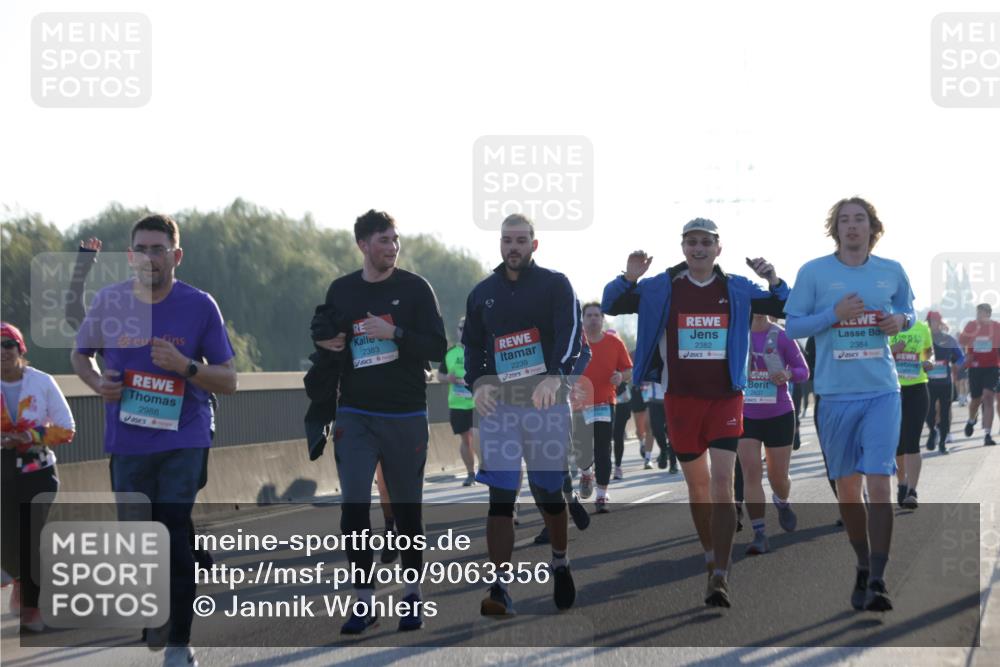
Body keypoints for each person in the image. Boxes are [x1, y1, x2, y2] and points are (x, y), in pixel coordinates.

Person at [72, 214, 237, 667]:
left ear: (175, 255)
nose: (149, 257)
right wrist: (96, 384)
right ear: (129, 256)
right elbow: (79, 353)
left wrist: (186, 366)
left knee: (170, 534)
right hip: (128, 440)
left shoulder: (200, 305)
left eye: (158, 249)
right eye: (141, 249)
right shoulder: (110, 302)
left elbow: (229, 379)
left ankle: (180, 645)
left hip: (185, 433)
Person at [603, 217, 788, 608]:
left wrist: (773, 279)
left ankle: (720, 574)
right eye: (692, 242)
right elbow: (612, 303)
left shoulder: (735, 287)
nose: (699, 248)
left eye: (706, 242)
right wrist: (629, 277)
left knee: (723, 483)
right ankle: (709, 556)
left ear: (718, 248)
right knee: (698, 487)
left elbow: (782, 305)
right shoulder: (663, 287)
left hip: (725, 397)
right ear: (683, 247)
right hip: (681, 399)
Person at [314, 209, 447, 634]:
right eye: (383, 240)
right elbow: (327, 336)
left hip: (405, 413)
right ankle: (364, 600)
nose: (391, 247)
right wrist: (326, 338)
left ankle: (411, 596)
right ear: (363, 245)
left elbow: (440, 347)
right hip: (355, 413)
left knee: (407, 513)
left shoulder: (414, 289)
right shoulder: (342, 290)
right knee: (353, 509)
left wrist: (395, 335)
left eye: (394, 239)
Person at [785, 196, 916, 613]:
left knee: (879, 481)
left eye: (860, 219)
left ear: (872, 227)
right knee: (847, 489)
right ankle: (862, 563)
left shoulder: (891, 271)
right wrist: (833, 314)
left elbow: (908, 311)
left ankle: (878, 578)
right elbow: (792, 326)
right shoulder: (814, 272)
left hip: (882, 390)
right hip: (835, 396)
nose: (853, 226)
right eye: (845, 220)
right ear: (836, 229)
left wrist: (901, 322)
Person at [464, 213, 580, 616]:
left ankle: (560, 561)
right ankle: (499, 588)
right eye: (507, 240)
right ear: (500, 244)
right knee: (500, 497)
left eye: (520, 240)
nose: (513, 246)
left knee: (548, 491)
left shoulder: (555, 285)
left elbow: (570, 337)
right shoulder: (482, 293)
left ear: (534, 243)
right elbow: (474, 348)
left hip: (545, 404)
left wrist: (554, 376)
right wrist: (478, 382)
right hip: (501, 409)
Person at [1, 322, 75, 633]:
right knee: (6, 540)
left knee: (32, 537)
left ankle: (33, 608)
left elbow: (66, 428)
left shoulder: (42, 382)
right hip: (2, 474)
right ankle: (19, 580)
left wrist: (29, 436)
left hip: (39, 471)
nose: (2, 352)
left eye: (8, 345)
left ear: (21, 349)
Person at [739, 315, 809, 554]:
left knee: (777, 477)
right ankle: (759, 533)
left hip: (779, 412)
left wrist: (788, 375)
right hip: (746, 414)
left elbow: (803, 371)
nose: (758, 313)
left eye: (763, 308)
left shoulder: (782, 335)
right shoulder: (737, 333)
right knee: (750, 472)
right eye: (754, 307)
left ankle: (782, 501)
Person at [570, 303, 632, 511]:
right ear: (583, 319)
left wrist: (620, 376)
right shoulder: (574, 343)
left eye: (597, 315)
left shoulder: (614, 343)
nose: (593, 319)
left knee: (603, 449)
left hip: (605, 402)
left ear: (602, 319)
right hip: (579, 403)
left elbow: (628, 369)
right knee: (581, 449)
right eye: (589, 315)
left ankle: (602, 494)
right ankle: (587, 473)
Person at [890, 317, 934, 508]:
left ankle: (912, 491)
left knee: (912, 441)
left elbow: (929, 352)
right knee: (898, 443)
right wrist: (893, 350)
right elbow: (875, 355)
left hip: (917, 388)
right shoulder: (886, 325)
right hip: (893, 389)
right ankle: (902, 482)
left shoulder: (922, 327)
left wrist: (929, 362)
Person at [438, 317, 478, 486]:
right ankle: (471, 473)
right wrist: (448, 377)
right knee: (466, 440)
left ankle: (486, 469)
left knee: (479, 436)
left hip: (479, 403)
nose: (463, 331)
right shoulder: (451, 353)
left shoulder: (479, 350)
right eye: (460, 328)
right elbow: (439, 375)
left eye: (466, 328)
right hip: (458, 403)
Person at [959, 303, 1000, 446]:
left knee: (988, 398)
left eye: (982, 313)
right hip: (975, 368)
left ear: (988, 314)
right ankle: (971, 420)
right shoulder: (971, 325)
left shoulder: (996, 326)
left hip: (991, 367)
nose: (979, 316)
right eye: (977, 313)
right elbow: (961, 341)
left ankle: (987, 434)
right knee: (975, 401)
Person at [925, 311, 964, 453]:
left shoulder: (948, 339)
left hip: (946, 383)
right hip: (928, 382)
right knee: (928, 412)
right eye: (929, 321)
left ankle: (942, 443)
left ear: (940, 323)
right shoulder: (924, 338)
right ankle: (932, 431)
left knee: (945, 411)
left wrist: (956, 365)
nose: (932, 324)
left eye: (935, 321)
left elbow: (960, 357)